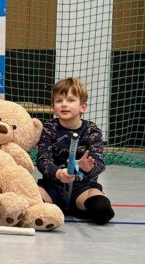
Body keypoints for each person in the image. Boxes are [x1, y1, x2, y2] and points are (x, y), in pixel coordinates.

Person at [37, 78, 114, 224]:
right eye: (59, 100)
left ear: (82, 107)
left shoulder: (92, 131)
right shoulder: (49, 128)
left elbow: (99, 163)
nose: (64, 104)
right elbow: (42, 161)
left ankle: (82, 206)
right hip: (53, 186)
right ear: (53, 107)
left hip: (83, 187)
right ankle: (49, 208)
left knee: (102, 209)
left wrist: (88, 168)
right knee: (31, 199)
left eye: (71, 100)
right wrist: (59, 173)